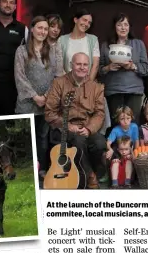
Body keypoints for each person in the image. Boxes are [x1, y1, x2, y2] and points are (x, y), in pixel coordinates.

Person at [45, 52, 107, 189]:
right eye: (78, 64)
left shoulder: (96, 87)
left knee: (100, 143)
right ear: (71, 65)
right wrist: (67, 125)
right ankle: (90, 175)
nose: (82, 67)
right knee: (78, 142)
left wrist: (89, 128)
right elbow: (49, 112)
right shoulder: (59, 83)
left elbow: (99, 113)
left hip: (86, 126)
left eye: (85, 64)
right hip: (64, 128)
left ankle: (94, 171)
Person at [14, 16, 65, 178]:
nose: (43, 32)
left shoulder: (52, 51)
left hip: (46, 103)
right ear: (32, 29)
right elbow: (19, 76)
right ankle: (28, 171)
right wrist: (35, 96)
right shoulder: (21, 51)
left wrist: (46, 96)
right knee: (27, 136)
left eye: (45, 29)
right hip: (27, 103)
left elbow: (58, 76)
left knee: (43, 137)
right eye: (40, 28)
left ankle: (41, 169)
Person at [99, 13, 148, 125]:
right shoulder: (105, 45)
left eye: (126, 25)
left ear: (129, 27)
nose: (123, 28)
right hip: (113, 91)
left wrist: (133, 66)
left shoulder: (138, 44)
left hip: (134, 91)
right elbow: (99, 70)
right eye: (119, 24)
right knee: (116, 124)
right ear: (114, 27)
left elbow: (146, 69)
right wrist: (108, 67)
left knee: (132, 124)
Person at [58, 9, 100, 81]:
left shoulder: (93, 40)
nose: (87, 24)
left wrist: (88, 84)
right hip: (66, 83)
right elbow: (59, 66)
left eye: (89, 22)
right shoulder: (62, 40)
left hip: (86, 83)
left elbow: (95, 65)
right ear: (75, 20)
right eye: (84, 20)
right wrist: (67, 84)